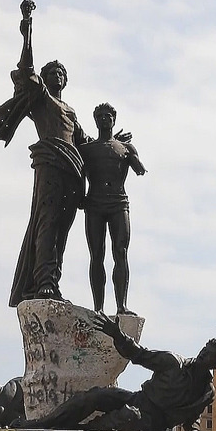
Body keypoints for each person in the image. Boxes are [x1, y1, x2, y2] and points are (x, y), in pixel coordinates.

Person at [0, 0, 89, 306]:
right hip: (51, 166)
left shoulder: (70, 112)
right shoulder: (43, 99)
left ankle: (52, 282)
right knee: (47, 222)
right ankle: (42, 281)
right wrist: (27, 29)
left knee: (62, 231)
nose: (58, 75)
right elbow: (26, 67)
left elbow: (87, 143)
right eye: (53, 71)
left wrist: (116, 146)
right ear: (45, 79)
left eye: (62, 72)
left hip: (73, 173)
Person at [19, 313, 216, 431]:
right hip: (138, 398)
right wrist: (117, 334)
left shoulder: (206, 393)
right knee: (97, 396)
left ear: (214, 365)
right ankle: (41, 425)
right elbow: (138, 354)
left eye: (209, 356)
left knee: (127, 417)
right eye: (204, 351)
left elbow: (191, 420)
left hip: (153, 423)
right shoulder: (173, 362)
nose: (203, 356)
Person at [80, 103, 146, 315]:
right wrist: (80, 198)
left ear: (114, 119)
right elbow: (79, 176)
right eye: (100, 116)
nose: (105, 119)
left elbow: (140, 170)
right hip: (95, 203)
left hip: (119, 202)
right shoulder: (87, 150)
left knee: (121, 252)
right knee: (96, 254)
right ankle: (98, 307)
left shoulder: (125, 148)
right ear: (96, 120)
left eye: (108, 116)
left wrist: (131, 154)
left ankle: (121, 306)